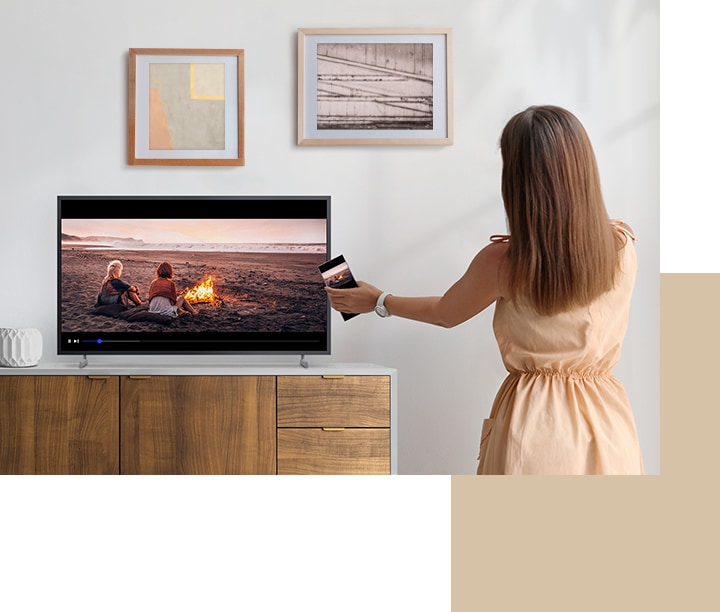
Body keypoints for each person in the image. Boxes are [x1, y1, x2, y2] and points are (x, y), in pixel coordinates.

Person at [325, 105, 644, 475]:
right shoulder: (622, 245)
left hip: (535, 428)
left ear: (520, 180)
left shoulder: (506, 261)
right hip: (608, 426)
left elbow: (446, 313)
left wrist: (379, 301)